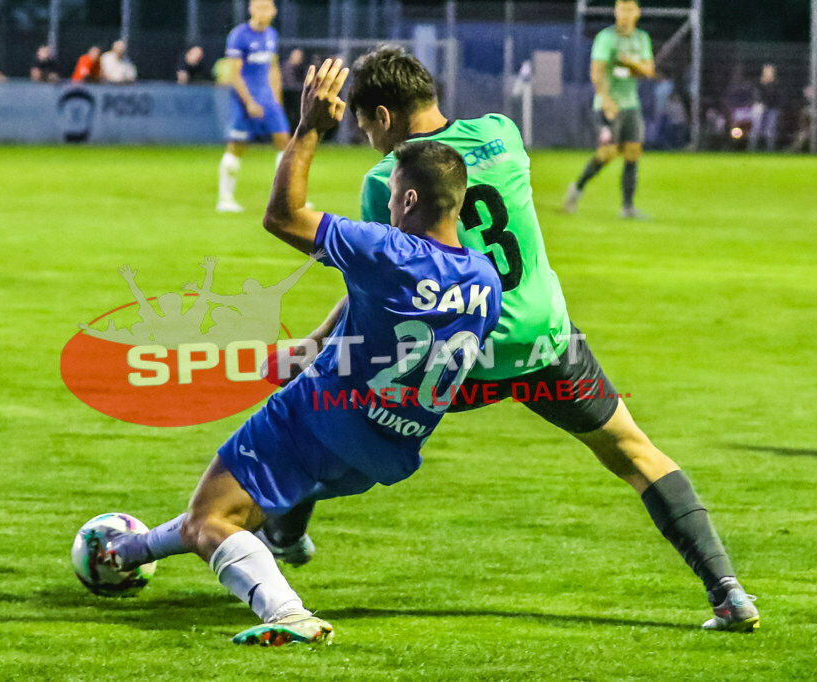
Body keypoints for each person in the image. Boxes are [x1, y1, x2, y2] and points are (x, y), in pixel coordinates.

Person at [260, 47, 760, 634]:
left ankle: (285, 530)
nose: (368, 139)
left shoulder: (387, 180)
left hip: (459, 358)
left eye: (365, 126)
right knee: (635, 453)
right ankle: (728, 592)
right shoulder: (502, 133)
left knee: (319, 407)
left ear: (385, 116)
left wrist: (319, 342)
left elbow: (389, 283)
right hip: (543, 343)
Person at [78, 58, 502, 647]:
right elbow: (381, 313)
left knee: (211, 520)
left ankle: (288, 612)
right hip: (385, 451)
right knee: (234, 510)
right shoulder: (485, 280)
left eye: (392, 196)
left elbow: (283, 215)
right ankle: (130, 550)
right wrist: (314, 346)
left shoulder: (387, 251)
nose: (388, 207)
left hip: (320, 418)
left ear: (407, 199)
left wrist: (307, 128)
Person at [563, 0, 654, 219]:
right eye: (621, 9)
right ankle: (576, 189)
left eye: (629, 9)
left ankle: (628, 208)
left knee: (633, 151)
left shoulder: (641, 38)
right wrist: (605, 100)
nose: (624, 14)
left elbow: (648, 71)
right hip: (608, 104)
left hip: (631, 104)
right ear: (615, 11)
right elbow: (597, 71)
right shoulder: (606, 38)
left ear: (637, 13)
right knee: (608, 153)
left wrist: (630, 63)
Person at [216, 0, 289, 214]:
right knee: (236, 146)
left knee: (285, 144)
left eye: (268, 7)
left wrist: (277, 99)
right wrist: (249, 102)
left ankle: (284, 201)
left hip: (268, 99)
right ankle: (225, 199)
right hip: (243, 100)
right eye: (260, 7)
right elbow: (235, 74)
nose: (265, 12)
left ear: (274, 11)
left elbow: (273, 67)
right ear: (252, 9)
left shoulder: (271, 35)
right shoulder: (239, 36)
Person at [749, 64, 781, 152]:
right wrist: (760, 103)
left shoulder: (776, 84)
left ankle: (770, 150)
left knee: (771, 129)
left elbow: (777, 97)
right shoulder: (758, 83)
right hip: (760, 107)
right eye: (767, 71)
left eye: (771, 71)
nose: (769, 73)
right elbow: (756, 95)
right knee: (756, 129)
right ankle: (752, 149)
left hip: (772, 108)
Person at [280, 48, 306, 129]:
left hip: (297, 96)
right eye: (295, 54)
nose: (297, 57)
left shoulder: (301, 68)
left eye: (299, 55)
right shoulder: (284, 66)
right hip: (286, 95)